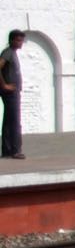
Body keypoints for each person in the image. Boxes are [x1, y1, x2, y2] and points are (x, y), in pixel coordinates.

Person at [0, 30, 23, 159]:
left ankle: (7, 150)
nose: (21, 43)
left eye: (21, 40)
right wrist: (4, 85)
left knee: (9, 121)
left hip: (12, 91)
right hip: (10, 92)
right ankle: (15, 150)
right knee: (14, 121)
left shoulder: (11, 53)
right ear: (12, 40)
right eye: (19, 40)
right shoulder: (8, 52)